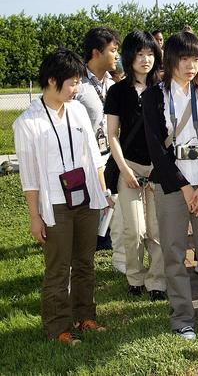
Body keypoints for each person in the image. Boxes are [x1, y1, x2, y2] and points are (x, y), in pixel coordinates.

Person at [13, 48, 111, 345]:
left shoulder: (78, 110)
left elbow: (93, 155)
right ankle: (58, 327)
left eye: (78, 82)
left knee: (85, 262)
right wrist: (34, 216)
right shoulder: (28, 122)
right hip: (55, 203)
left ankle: (86, 316)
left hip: (86, 197)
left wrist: (103, 191)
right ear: (52, 81)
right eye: (71, 83)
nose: (76, 89)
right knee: (58, 267)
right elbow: (29, 176)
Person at [142, 31, 198, 347]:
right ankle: (181, 318)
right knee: (174, 254)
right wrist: (183, 187)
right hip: (171, 187)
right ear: (171, 59)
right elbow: (156, 148)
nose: (191, 65)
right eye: (184, 58)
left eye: (196, 59)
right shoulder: (153, 97)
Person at [104, 30, 166, 300]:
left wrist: (159, 169)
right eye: (140, 54)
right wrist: (126, 171)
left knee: (157, 230)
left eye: (150, 53)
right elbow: (112, 136)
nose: (145, 59)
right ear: (129, 57)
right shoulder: (118, 91)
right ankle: (134, 277)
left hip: (158, 169)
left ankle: (157, 282)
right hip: (128, 165)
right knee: (134, 230)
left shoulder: (163, 89)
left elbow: (170, 132)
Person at [75, 27, 127, 271]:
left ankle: (108, 244)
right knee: (86, 209)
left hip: (111, 155)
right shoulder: (77, 84)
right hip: (84, 160)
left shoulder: (114, 82)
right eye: (112, 50)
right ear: (96, 52)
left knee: (111, 204)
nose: (116, 55)